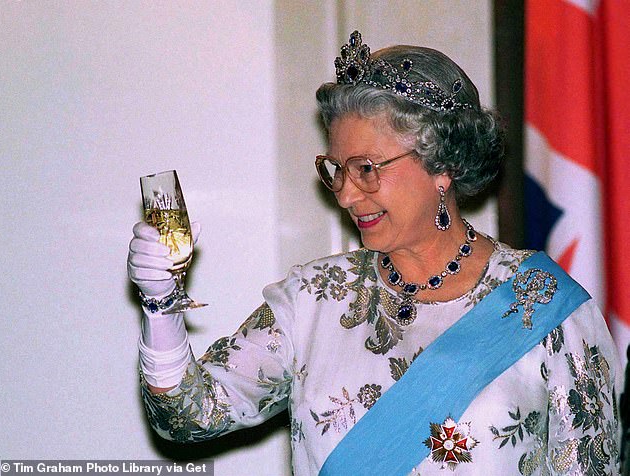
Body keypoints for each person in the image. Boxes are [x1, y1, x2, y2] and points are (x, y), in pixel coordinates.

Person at [128, 31, 621, 475]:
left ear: (442, 165)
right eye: (337, 170)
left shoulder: (547, 307)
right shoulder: (312, 301)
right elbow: (186, 417)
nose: (344, 195)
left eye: (366, 168)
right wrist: (160, 306)